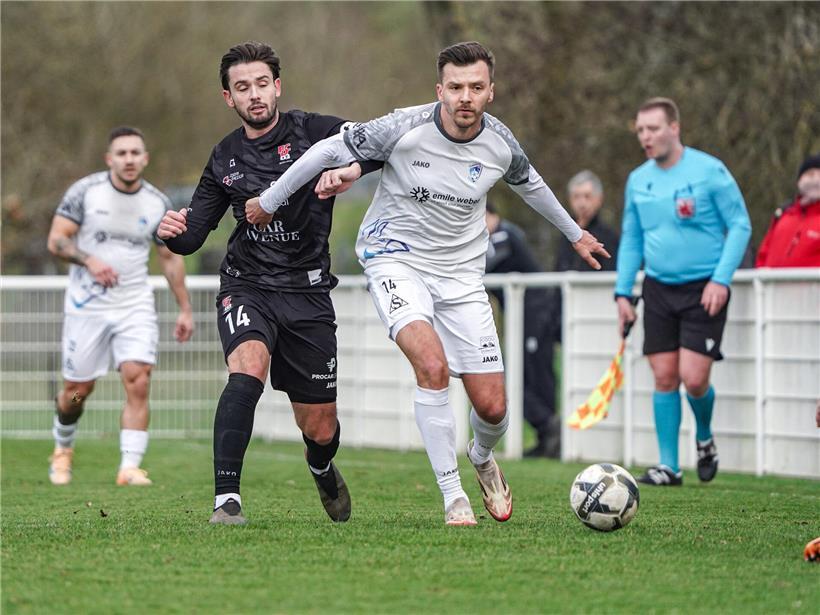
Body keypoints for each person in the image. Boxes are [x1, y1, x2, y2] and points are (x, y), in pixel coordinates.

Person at [247, 41, 608, 525]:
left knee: (494, 408)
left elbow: (533, 185)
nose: (465, 97)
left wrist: (576, 233)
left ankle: (481, 458)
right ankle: (452, 495)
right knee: (432, 366)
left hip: (460, 278)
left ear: (490, 92)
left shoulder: (501, 143)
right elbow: (327, 150)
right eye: (455, 87)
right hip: (394, 260)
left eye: (476, 87)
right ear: (440, 90)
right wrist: (271, 198)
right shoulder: (404, 126)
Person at [158, 42, 381, 525]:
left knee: (320, 428)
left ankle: (320, 465)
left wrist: (350, 168)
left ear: (277, 86)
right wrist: (169, 235)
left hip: (308, 293)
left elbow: (382, 143)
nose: (254, 95)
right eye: (243, 88)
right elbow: (194, 234)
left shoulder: (315, 131)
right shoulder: (225, 156)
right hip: (248, 284)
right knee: (247, 369)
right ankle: (226, 500)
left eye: (262, 84)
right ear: (228, 98)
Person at [615, 97, 752, 486]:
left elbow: (740, 225)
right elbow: (632, 239)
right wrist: (623, 293)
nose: (646, 137)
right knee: (663, 377)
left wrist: (721, 279)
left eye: (653, 129)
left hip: (703, 288)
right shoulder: (638, 180)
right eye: (640, 130)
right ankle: (669, 467)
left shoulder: (710, 172)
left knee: (693, 378)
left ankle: (705, 438)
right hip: (658, 288)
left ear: (674, 128)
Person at [46, 126, 194, 486]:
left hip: (134, 305)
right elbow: (56, 240)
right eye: (122, 153)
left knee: (138, 379)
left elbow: (169, 258)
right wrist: (89, 260)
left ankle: (129, 467)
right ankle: (62, 449)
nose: (129, 159)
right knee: (77, 392)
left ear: (145, 159)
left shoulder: (157, 203)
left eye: (135, 153)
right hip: (87, 307)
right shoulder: (85, 192)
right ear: (109, 158)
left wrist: (185, 308)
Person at [485, 202, 560, 458]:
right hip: (524, 316)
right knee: (523, 375)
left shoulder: (504, 235)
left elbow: (486, 263)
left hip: (536, 313)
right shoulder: (503, 235)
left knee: (530, 374)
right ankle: (547, 434)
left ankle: (550, 429)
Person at [755, 153, 820, 268]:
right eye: (809, 174)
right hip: (772, 284)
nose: (813, 179)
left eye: (818, 174)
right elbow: (763, 254)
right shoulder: (783, 214)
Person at [555, 170, 619, 272]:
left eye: (587, 196)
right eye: (576, 197)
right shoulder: (564, 235)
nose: (582, 203)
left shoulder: (609, 237)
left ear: (599, 199)